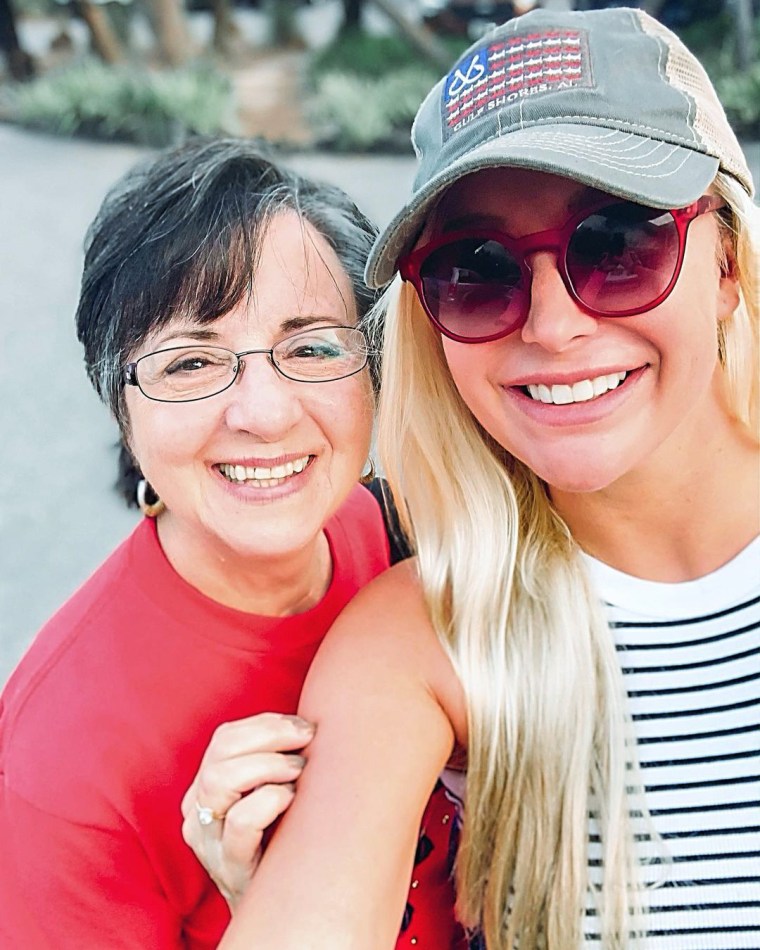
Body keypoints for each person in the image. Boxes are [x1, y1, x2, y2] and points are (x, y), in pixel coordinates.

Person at [194, 7, 760, 949]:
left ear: (728, 265)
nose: (552, 324)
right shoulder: (426, 641)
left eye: (619, 242)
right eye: (476, 269)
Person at [0, 138, 464, 949]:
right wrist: (261, 910)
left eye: (313, 346)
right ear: (122, 407)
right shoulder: (59, 768)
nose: (264, 413)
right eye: (190, 364)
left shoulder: (400, 538)